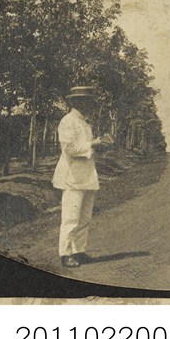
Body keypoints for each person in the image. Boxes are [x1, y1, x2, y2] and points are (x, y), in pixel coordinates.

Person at [52, 86, 113, 268]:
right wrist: (93, 144)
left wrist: (98, 145)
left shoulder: (84, 123)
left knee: (84, 218)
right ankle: (66, 254)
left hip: (87, 175)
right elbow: (69, 149)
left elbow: (85, 147)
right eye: (86, 102)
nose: (90, 105)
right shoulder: (67, 121)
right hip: (72, 176)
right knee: (71, 218)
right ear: (77, 102)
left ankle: (79, 251)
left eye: (90, 102)